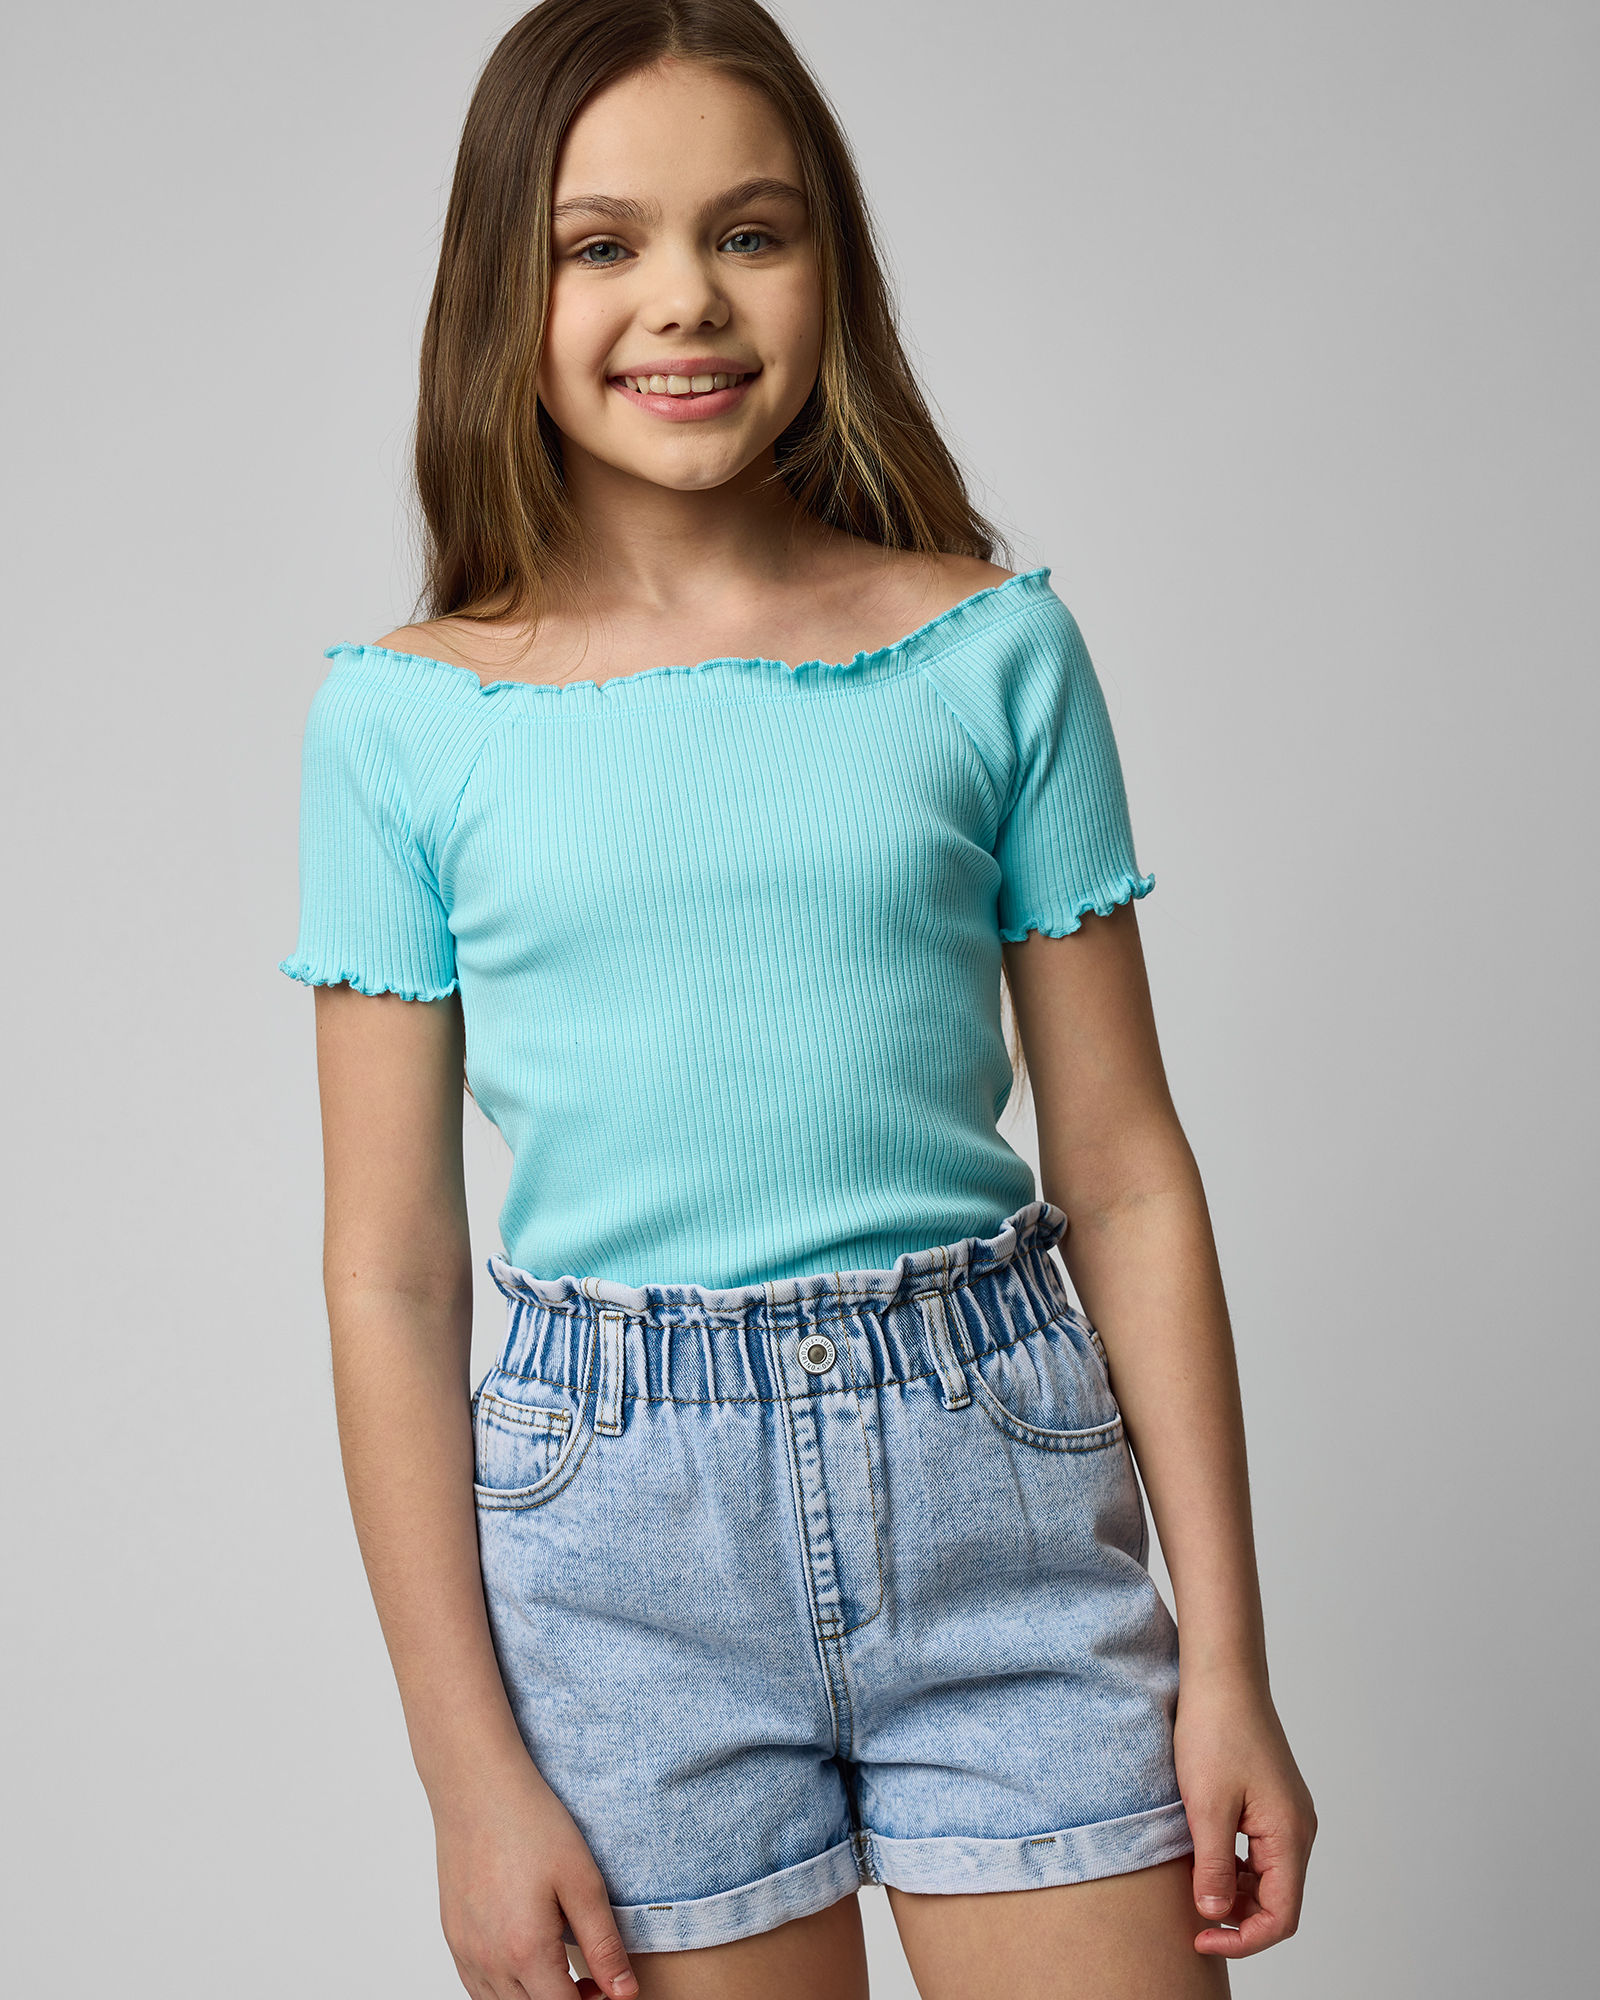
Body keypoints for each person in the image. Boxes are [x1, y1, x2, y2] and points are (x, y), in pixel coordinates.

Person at [280, 2, 1316, 1994]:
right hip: (619, 1570)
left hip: (998, 1501)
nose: (685, 297)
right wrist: (464, 1773)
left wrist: (1228, 1664)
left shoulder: (989, 653)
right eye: (602, 244)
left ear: (828, 266)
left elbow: (1123, 1168)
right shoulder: (401, 722)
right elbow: (388, 1271)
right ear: (503, 286)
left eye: (749, 232)